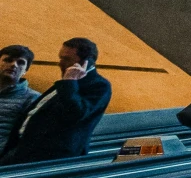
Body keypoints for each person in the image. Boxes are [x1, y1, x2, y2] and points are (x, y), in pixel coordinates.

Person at [0, 36, 113, 164]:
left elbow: (77, 113)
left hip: (48, 157)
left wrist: (70, 83)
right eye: (60, 58)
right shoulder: (65, 83)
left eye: (66, 59)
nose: (60, 63)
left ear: (84, 62)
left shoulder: (98, 85)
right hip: (24, 150)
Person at [0, 45, 39, 151]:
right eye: (8, 60)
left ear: (26, 70)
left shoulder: (32, 98)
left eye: (20, 62)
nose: (14, 65)